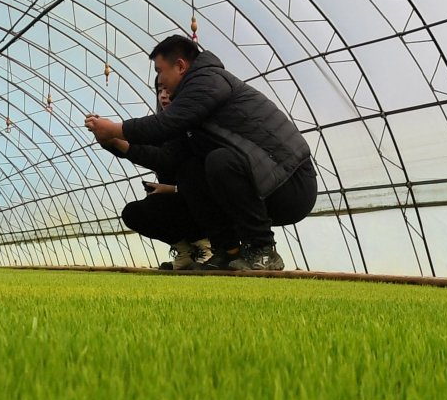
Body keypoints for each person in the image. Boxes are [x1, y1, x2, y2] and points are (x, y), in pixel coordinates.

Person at [84, 35, 316, 271]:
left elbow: (163, 126)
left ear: (181, 66)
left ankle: (263, 250)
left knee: (219, 160)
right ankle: (227, 251)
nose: (160, 80)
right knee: (189, 169)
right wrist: (114, 141)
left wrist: (114, 128)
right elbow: (169, 158)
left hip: (291, 184)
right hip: (259, 183)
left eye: (160, 71)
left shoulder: (208, 81)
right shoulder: (190, 107)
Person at [88, 80, 211, 270]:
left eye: (168, 88)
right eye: (160, 90)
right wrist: (109, 139)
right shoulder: (161, 129)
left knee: (168, 200)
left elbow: (164, 159)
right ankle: (187, 252)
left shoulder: (194, 126)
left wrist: (173, 189)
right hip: (182, 197)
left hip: (206, 198)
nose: (163, 95)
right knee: (134, 213)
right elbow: (143, 147)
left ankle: (208, 247)